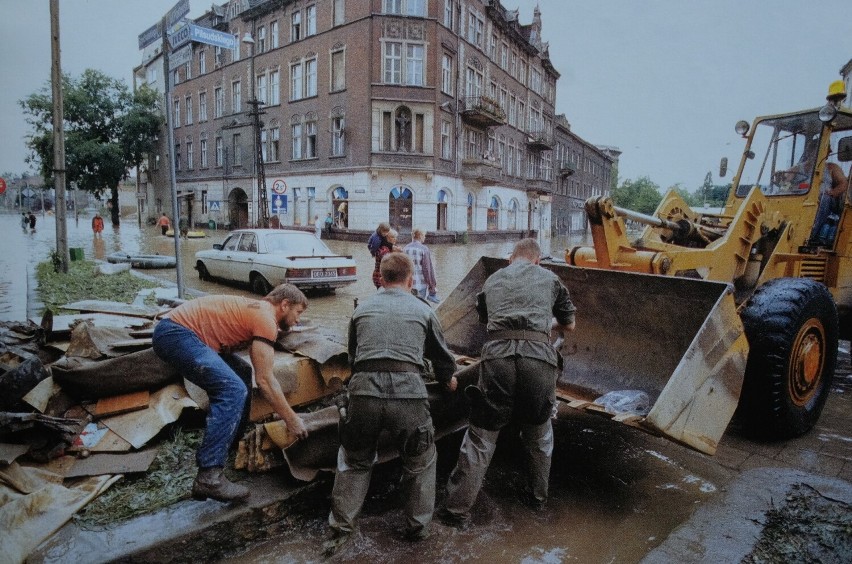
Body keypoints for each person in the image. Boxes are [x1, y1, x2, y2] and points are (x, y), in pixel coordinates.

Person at [324, 252, 458, 555]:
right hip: (408, 399)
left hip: (363, 396)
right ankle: (417, 532)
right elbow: (441, 358)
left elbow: (354, 359)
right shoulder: (424, 311)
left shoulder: (362, 311)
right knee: (420, 462)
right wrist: (449, 379)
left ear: (381, 279)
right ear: (411, 279)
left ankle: (339, 535)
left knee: (354, 462)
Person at [439, 238, 576, 528]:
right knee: (540, 435)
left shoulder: (493, 279)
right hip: (539, 361)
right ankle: (537, 499)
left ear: (511, 258)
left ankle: (456, 511)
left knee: (480, 438)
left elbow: (486, 320)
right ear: (537, 260)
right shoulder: (551, 278)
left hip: (498, 360)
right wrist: (543, 322)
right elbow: (569, 324)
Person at [152, 284, 310, 502]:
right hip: (176, 333)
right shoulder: (266, 319)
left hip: (180, 332)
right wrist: (292, 420)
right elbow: (265, 380)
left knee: (241, 372)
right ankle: (209, 477)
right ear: (284, 305)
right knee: (232, 389)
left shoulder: (256, 309)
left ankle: (233, 442)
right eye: (298, 312)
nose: (298, 320)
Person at [404, 229, 439, 303]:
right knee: (420, 305)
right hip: (420, 284)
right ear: (421, 236)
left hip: (407, 284)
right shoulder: (424, 249)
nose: (425, 238)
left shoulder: (405, 248)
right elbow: (428, 270)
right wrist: (432, 287)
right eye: (424, 236)